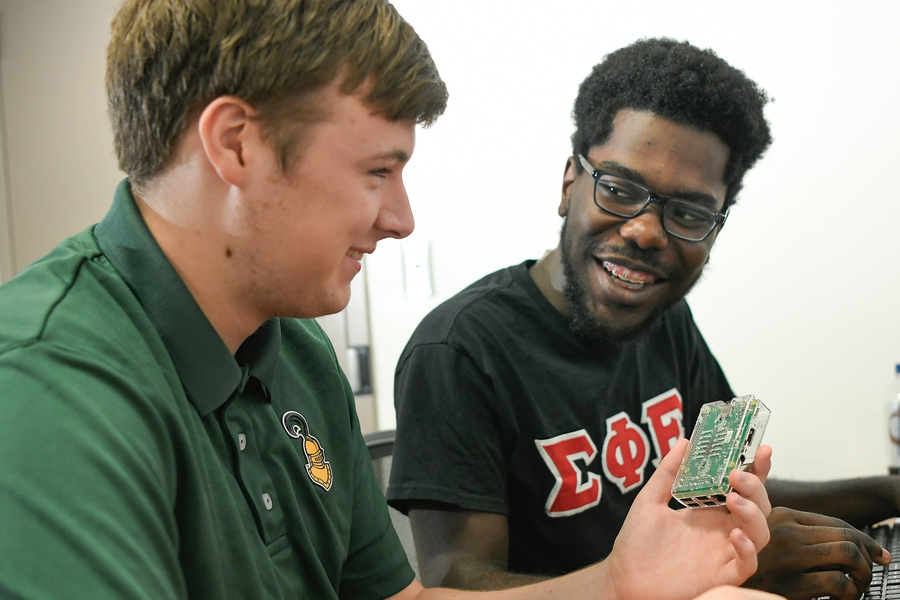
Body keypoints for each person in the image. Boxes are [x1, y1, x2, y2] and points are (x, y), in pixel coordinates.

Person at [0, 3, 780, 600]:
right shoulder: (47, 388)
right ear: (235, 143)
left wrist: (617, 584)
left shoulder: (296, 355)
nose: (401, 219)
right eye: (378, 171)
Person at [387, 37, 895, 600]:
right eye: (621, 189)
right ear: (568, 184)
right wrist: (721, 571)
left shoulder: (664, 319)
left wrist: (886, 492)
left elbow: (716, 495)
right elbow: (458, 584)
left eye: (687, 212)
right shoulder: (459, 352)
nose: (645, 232)